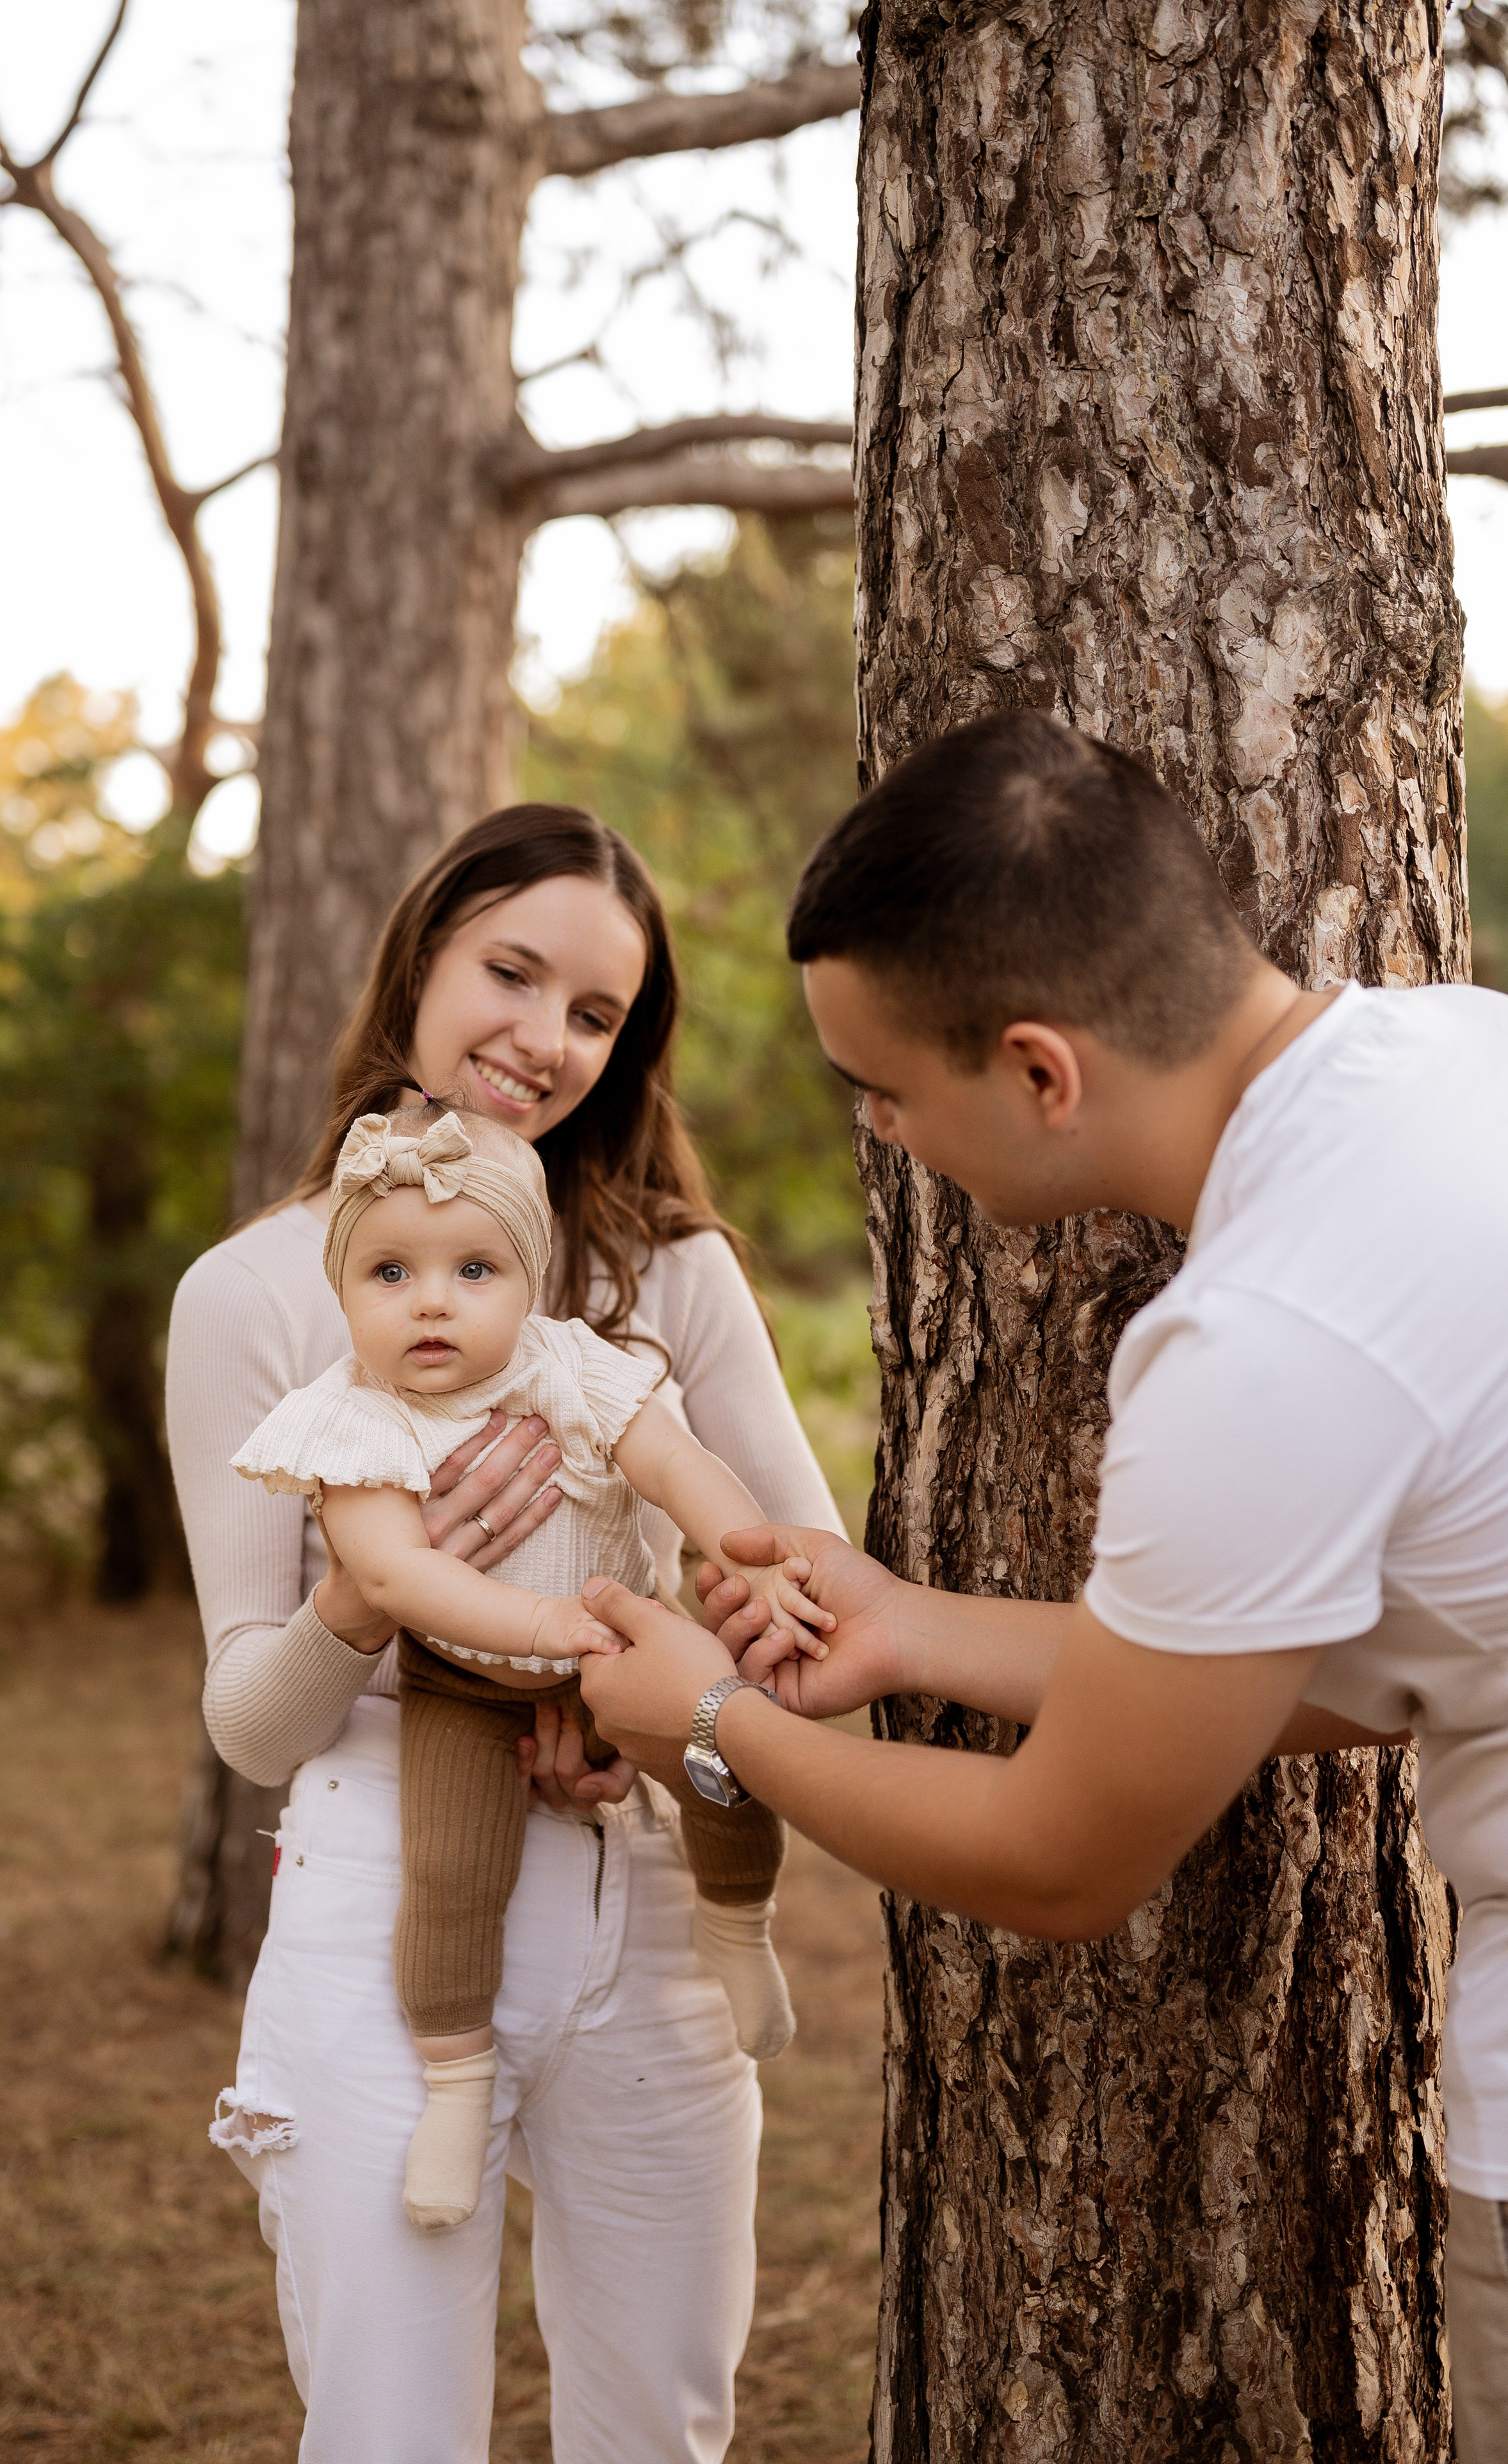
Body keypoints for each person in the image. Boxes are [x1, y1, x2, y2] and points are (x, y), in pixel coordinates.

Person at [576, 713, 1508, 2463]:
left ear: (1036, 1071)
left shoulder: (1257, 1340)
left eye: (881, 1089)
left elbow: (1064, 1857)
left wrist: (706, 1721)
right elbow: (1342, 1667)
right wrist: (906, 1627)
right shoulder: (1461, 1057)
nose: (878, 1130)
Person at [165, 804, 845, 2463]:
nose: (545, 1039)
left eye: (596, 1013)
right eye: (513, 973)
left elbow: (803, 1583)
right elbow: (252, 1728)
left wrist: (647, 1704)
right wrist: (369, 1597)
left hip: (650, 1911)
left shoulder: (671, 1275)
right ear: (420, 962)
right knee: (392, 2433)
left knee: (659, 2423)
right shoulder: (251, 1296)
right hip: (385, 1903)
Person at [234, 1099, 828, 2228]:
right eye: (391, 1273)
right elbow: (396, 1576)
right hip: (465, 1683)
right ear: (342, 1291)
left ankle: (737, 1922)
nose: (433, 1301)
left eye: (474, 1270)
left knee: (725, 1759)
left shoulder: (573, 1366)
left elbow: (675, 1463)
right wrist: (543, 1625)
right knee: (452, 1875)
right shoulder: (353, 1420)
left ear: (530, 1280)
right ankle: (457, 2082)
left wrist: (744, 1555)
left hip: (626, 1638)